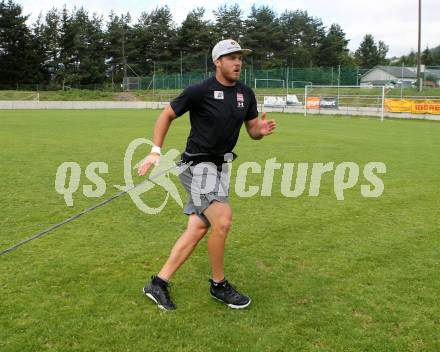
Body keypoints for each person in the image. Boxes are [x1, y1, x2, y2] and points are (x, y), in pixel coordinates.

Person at [137, 39, 277, 310]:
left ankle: (158, 283)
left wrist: (261, 131)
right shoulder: (200, 90)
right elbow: (166, 115)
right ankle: (219, 285)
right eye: (231, 57)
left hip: (220, 168)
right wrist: (155, 151)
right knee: (222, 221)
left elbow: (252, 131)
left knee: (199, 227)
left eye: (240, 57)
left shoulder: (246, 94)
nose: (237, 62)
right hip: (197, 167)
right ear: (217, 62)